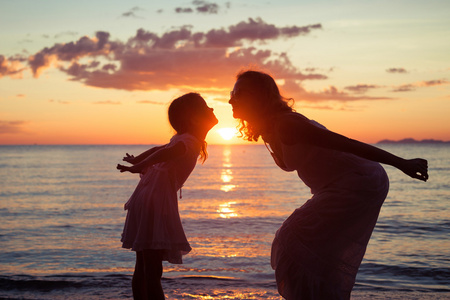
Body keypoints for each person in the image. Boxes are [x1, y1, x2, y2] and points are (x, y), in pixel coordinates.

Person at [229, 70, 428, 299]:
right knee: (320, 254)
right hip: (343, 184)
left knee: (291, 238)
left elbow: (346, 143)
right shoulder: (268, 128)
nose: (230, 99)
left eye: (238, 93)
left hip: (359, 181)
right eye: (232, 93)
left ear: (260, 96)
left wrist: (401, 162)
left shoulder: (287, 124)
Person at [117, 93, 218, 300]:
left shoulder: (183, 139)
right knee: (153, 271)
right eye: (206, 107)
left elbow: (158, 149)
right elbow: (164, 153)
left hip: (146, 199)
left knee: (143, 267)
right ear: (194, 118)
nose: (212, 110)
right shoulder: (188, 141)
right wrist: (139, 165)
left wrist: (139, 159)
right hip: (156, 203)